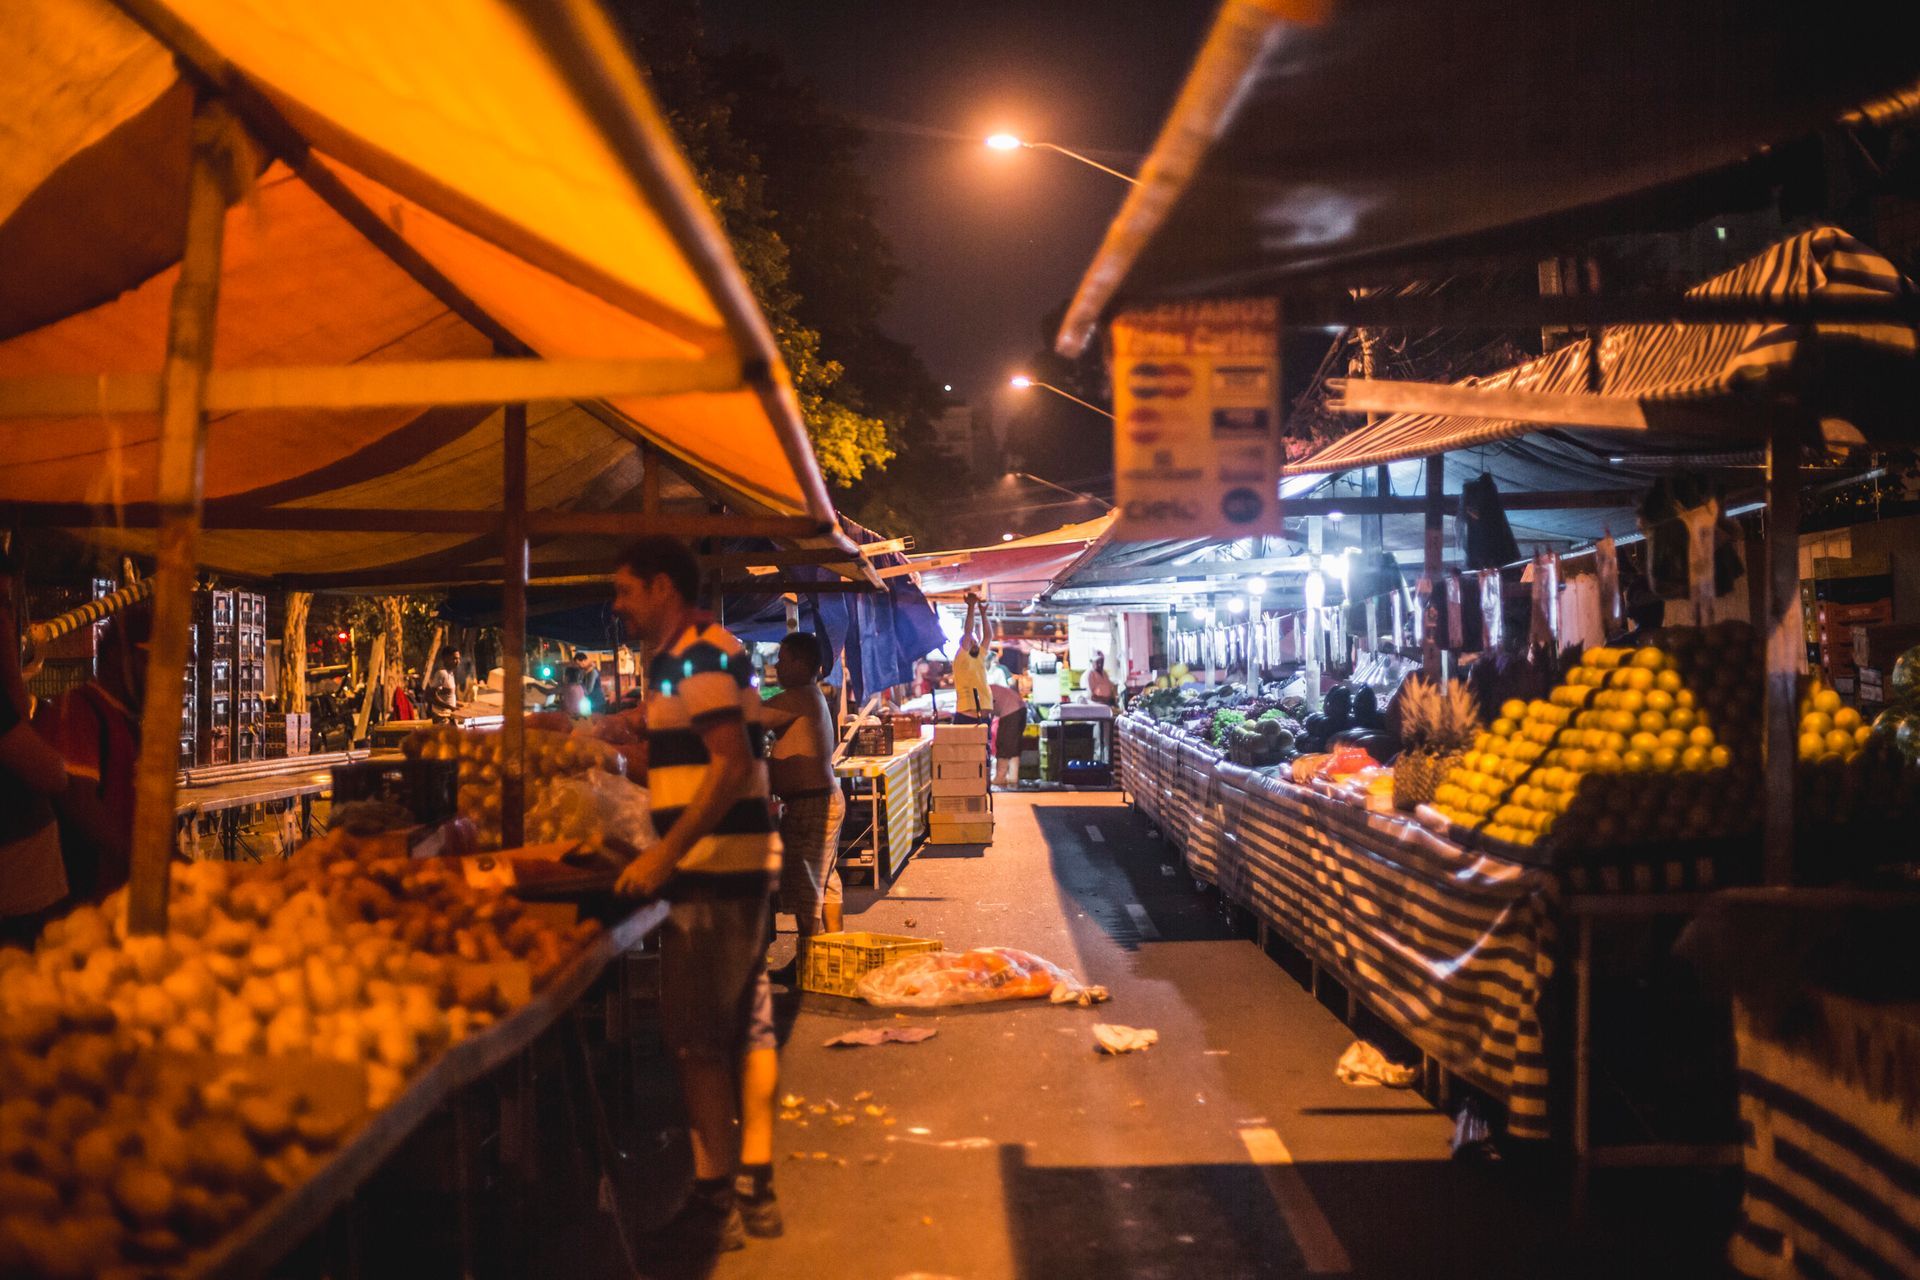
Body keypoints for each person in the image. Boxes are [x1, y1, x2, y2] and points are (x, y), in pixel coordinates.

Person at [590, 537, 784, 1251]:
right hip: (712, 868)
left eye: (625, 590)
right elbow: (681, 767)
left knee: (697, 1040)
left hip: (716, 872)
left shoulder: (702, 654)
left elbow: (730, 767)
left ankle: (718, 1202)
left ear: (662, 587)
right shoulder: (681, 661)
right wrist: (611, 745)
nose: (618, 606)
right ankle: (725, 1187)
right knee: (704, 1038)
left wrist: (666, 854)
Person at [37, 603, 147, 904]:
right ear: (116, 657)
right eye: (150, 660)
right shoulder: (79, 709)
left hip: (125, 901)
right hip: (86, 904)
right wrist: (147, 866)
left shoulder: (128, 723)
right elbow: (79, 802)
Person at [757, 632, 845, 982]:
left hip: (813, 804)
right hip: (819, 799)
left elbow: (750, 719)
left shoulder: (799, 697)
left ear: (800, 663)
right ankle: (835, 954)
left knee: (808, 889)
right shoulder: (809, 696)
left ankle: (814, 968)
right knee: (825, 884)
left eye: (782, 657)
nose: (776, 664)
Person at [0, 549, 71, 944]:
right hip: (17, 913)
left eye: (7, 606)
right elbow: (49, 773)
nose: (5, 621)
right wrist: (10, 668)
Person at [951, 591, 993, 724]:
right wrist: (971, 607)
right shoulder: (961, 658)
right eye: (971, 642)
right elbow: (968, 633)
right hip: (966, 714)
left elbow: (988, 637)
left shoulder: (980, 655)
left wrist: (983, 613)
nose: (975, 643)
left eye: (975, 641)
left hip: (984, 713)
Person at [987, 665, 1026, 789]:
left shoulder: (985, 692)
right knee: (1014, 744)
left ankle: (1000, 777)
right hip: (1021, 708)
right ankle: (1013, 777)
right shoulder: (991, 688)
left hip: (1011, 711)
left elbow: (985, 714)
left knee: (1004, 742)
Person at [426, 654, 458, 724]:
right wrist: (450, 707)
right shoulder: (441, 673)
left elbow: (447, 696)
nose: (457, 661)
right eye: (454, 659)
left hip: (449, 715)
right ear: (446, 659)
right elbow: (432, 696)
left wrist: (455, 706)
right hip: (442, 717)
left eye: (458, 659)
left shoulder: (451, 673)